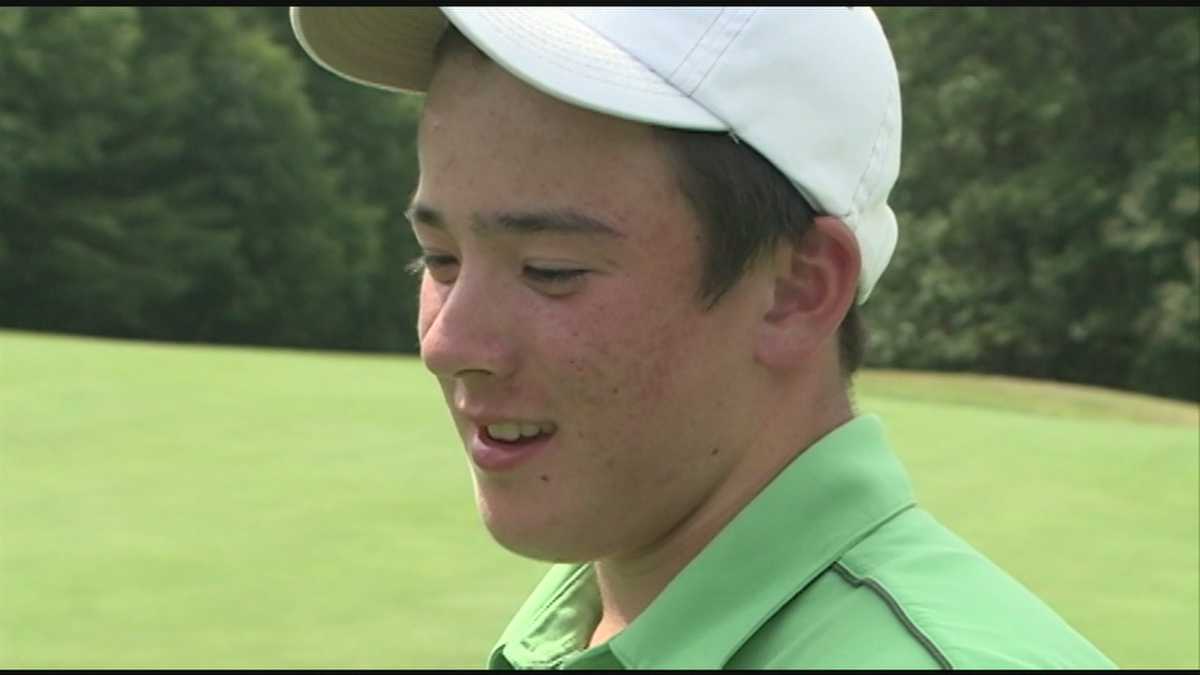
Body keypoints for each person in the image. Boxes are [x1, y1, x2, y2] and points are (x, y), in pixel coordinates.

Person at [289, 7, 1116, 669]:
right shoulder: (581, 620)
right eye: (439, 256)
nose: (449, 341)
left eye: (549, 268)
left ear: (798, 289)